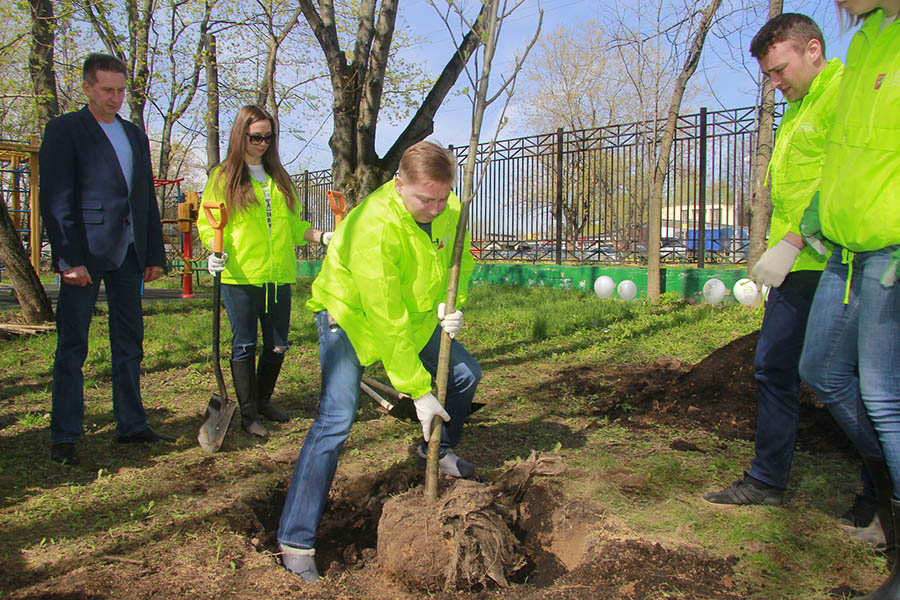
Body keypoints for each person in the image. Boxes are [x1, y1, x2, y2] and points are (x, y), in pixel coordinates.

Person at [276, 140, 481, 582]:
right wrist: (417, 388)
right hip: (350, 313)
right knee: (336, 417)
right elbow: (385, 317)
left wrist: (452, 305)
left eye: (442, 197)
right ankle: (295, 538)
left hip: (415, 313)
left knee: (465, 375)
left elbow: (456, 262)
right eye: (426, 198)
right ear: (398, 183)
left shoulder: (448, 206)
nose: (435, 207)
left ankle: (436, 449)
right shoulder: (374, 226)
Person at [702, 14, 846, 507]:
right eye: (769, 75)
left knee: (843, 377)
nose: (775, 82)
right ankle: (767, 482)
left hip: (836, 263)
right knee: (774, 367)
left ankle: (877, 493)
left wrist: (794, 239)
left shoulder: (843, 95)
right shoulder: (797, 108)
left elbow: (845, 178)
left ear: (812, 49)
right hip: (796, 266)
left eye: (779, 70)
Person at [796, 1, 900, 597]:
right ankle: (887, 491)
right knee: (823, 371)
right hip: (845, 247)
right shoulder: (865, 43)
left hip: (890, 247)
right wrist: (810, 220)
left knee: (884, 394)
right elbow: (845, 154)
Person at [39, 53, 171, 466]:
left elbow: (145, 197)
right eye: (107, 90)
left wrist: (153, 252)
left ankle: (131, 424)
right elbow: (55, 199)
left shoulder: (134, 135)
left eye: (120, 90)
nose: (115, 98)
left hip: (130, 255)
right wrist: (68, 259)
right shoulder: (65, 130)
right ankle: (65, 433)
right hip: (86, 255)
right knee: (73, 345)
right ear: (87, 88)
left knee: (129, 343)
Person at [197, 105, 330, 438]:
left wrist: (322, 236)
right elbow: (208, 221)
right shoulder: (223, 176)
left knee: (277, 346)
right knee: (244, 345)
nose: (262, 144)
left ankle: (264, 399)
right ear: (240, 134)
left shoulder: (279, 178)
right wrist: (213, 252)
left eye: (269, 138)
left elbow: (295, 226)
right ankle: (248, 412)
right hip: (241, 275)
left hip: (278, 275)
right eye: (256, 137)